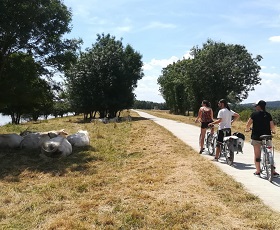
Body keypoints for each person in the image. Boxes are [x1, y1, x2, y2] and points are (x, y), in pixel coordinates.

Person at [245, 100, 279, 177]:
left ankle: (258, 171)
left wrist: (247, 129)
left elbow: (248, 124)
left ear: (258, 106)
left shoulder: (254, 114)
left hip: (256, 137)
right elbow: (272, 126)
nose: (255, 107)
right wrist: (273, 131)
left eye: (256, 106)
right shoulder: (268, 114)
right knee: (269, 151)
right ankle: (273, 171)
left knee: (257, 154)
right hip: (267, 137)